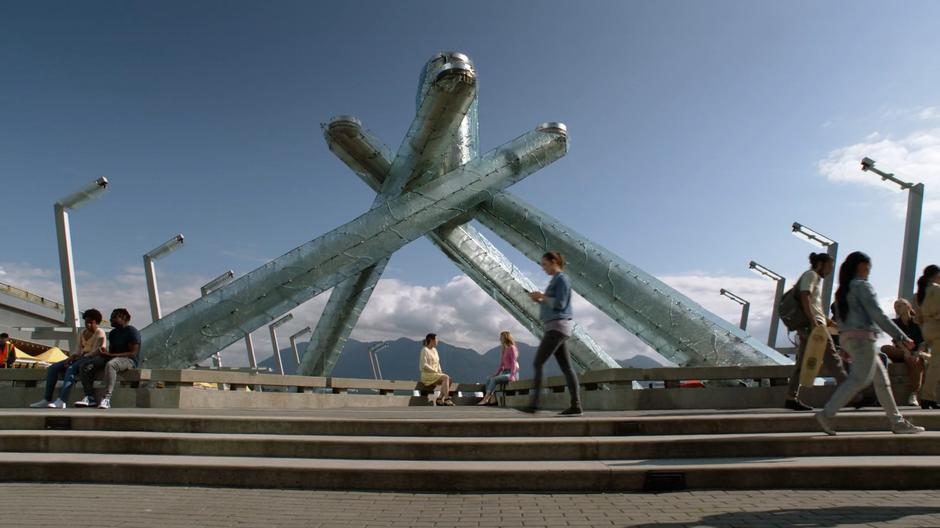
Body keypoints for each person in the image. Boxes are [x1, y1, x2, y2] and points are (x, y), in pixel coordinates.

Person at [815, 252, 924, 435]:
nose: (869, 271)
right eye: (868, 267)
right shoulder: (862, 286)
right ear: (861, 266)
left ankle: (897, 422)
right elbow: (878, 315)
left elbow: (841, 321)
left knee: (882, 382)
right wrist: (902, 337)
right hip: (863, 339)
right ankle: (827, 414)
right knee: (859, 379)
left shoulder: (843, 290)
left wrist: (848, 344)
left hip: (852, 339)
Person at [785, 252, 848, 411]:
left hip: (812, 325)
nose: (830, 271)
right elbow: (804, 297)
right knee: (832, 357)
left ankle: (791, 397)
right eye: (829, 267)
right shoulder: (811, 275)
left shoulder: (813, 279)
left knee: (802, 363)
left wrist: (831, 323)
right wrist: (814, 323)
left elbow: (815, 307)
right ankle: (851, 393)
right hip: (813, 327)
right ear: (820, 264)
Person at [523, 251, 582, 416]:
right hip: (557, 327)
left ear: (554, 261)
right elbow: (553, 302)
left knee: (538, 363)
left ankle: (535, 404)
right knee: (567, 368)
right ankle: (576, 405)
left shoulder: (562, 279)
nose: (543, 268)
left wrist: (542, 296)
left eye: (545, 264)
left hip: (557, 327)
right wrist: (540, 299)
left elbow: (560, 303)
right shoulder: (557, 280)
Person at [29, 309, 106, 408]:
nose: (88, 325)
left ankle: (62, 399)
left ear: (96, 322)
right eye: (86, 322)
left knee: (71, 369)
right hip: (80, 357)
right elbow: (78, 349)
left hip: (90, 358)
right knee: (53, 368)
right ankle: (46, 399)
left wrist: (76, 360)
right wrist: (71, 358)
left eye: (91, 322)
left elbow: (97, 351)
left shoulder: (100, 333)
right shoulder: (82, 332)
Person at [77, 308, 141, 409]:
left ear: (123, 318)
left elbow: (133, 353)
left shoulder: (132, 331)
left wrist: (110, 356)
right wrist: (103, 353)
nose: (111, 319)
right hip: (113, 357)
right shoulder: (113, 333)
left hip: (129, 360)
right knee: (86, 365)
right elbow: (111, 352)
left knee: (111, 364)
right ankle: (90, 397)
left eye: (114, 317)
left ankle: (106, 399)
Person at [881, 298, 927, 406]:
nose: (896, 308)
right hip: (901, 352)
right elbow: (896, 339)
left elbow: (923, 342)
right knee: (884, 348)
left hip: (916, 352)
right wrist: (906, 351)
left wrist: (918, 353)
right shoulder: (894, 323)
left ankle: (914, 394)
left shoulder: (917, 322)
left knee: (915, 361)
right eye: (895, 306)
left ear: (908, 306)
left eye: (899, 305)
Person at [915, 265, 940, 409]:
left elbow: (918, 318)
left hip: (928, 328)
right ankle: (927, 396)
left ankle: (928, 396)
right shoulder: (936, 289)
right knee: (937, 363)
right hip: (937, 327)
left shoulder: (922, 292)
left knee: (935, 362)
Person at [478, 331, 519, 406]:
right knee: (489, 378)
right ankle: (493, 399)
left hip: (511, 373)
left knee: (494, 380)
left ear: (506, 337)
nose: (500, 338)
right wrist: (496, 374)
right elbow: (502, 365)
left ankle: (485, 399)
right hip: (504, 372)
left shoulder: (512, 348)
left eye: (501, 337)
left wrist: (512, 375)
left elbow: (513, 362)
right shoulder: (504, 349)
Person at [418, 333, 454, 406]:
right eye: (436, 339)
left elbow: (438, 363)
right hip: (427, 375)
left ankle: (440, 398)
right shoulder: (424, 350)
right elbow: (424, 365)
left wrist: (440, 372)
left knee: (449, 379)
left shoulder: (435, 350)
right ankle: (447, 399)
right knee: (446, 378)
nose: (438, 341)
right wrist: (435, 371)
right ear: (431, 340)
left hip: (435, 374)